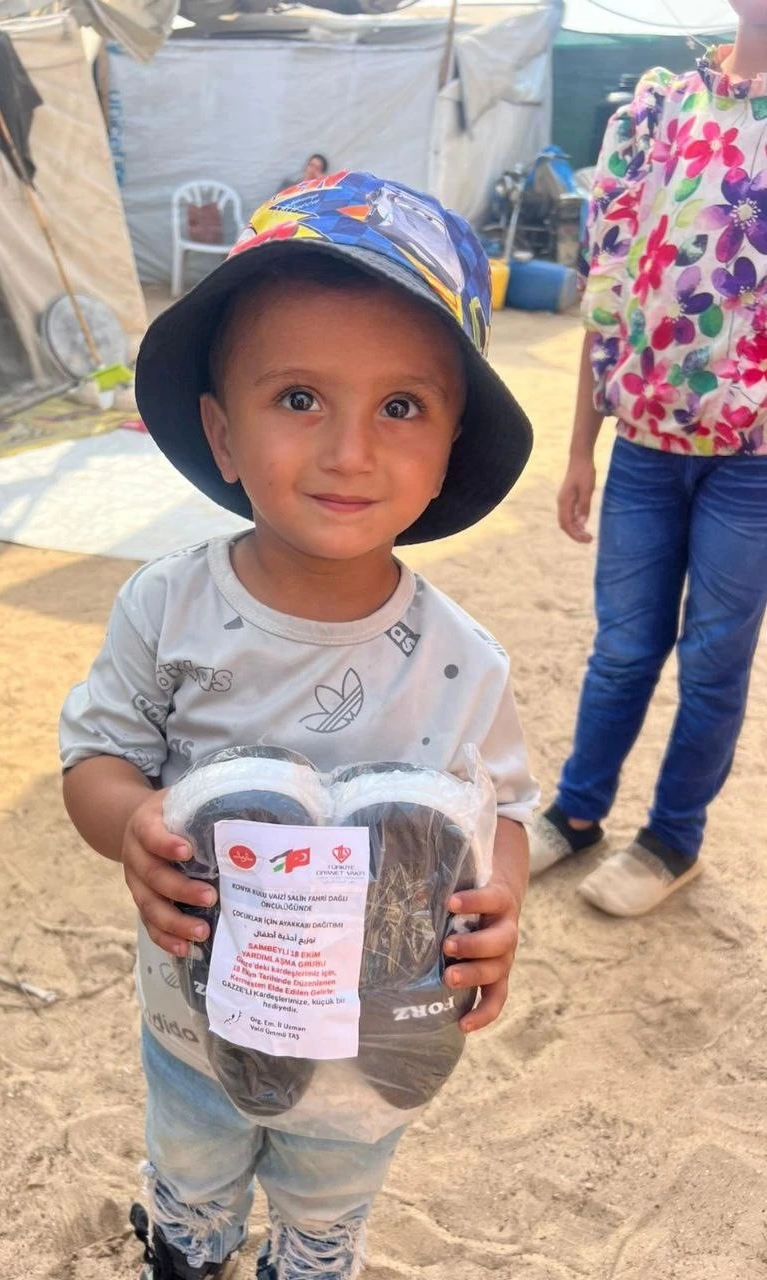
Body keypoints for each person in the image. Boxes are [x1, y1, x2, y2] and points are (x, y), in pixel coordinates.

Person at [60, 171, 538, 1280]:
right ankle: (190, 1234)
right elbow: (97, 756)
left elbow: (503, 810)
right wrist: (131, 822)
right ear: (221, 432)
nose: (349, 451)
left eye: (401, 407)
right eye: (299, 398)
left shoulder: (465, 660)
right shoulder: (167, 607)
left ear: (451, 448)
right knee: (194, 1143)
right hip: (197, 1009)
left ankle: (314, 1248)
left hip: (375, 1032)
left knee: (332, 1173)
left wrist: (500, 900)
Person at [529, 4, 767, 918]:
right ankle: (577, 812)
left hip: (751, 466)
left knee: (712, 663)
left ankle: (674, 839)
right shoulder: (658, 109)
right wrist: (580, 447)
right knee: (623, 649)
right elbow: (610, 294)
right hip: (643, 446)